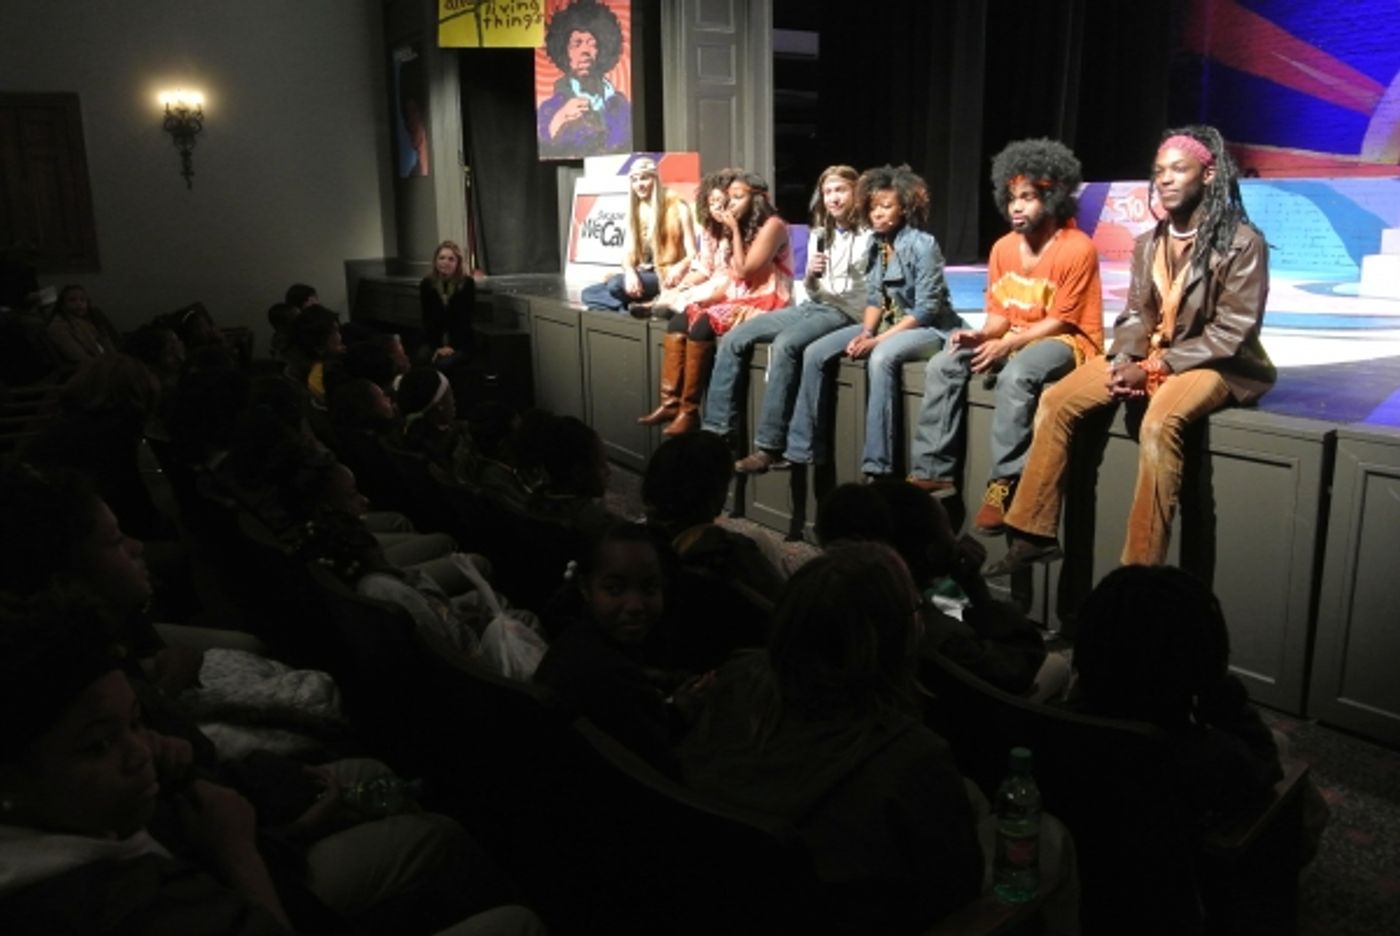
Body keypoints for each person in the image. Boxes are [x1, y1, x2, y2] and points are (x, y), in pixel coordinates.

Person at [988, 126, 1276, 575]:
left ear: (1209, 174)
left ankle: (1140, 569)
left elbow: (1232, 332)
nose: (1165, 179)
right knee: (1056, 399)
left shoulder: (1242, 242)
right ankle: (1032, 533)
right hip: (1150, 354)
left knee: (1161, 422)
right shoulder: (1149, 243)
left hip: (1216, 362)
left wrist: (1158, 366)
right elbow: (1135, 316)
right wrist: (1124, 359)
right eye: (1159, 171)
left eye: (1179, 169)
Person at [676, 543, 984, 933]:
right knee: (1050, 840)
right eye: (915, 610)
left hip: (717, 903)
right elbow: (955, 894)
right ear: (897, 640)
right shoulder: (913, 759)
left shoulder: (735, 679)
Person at [908, 139, 1104, 534]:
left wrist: (1007, 344)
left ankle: (1003, 482)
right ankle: (934, 469)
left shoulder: (1077, 247)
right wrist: (979, 336)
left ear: (1053, 199)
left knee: (1017, 376)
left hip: (1066, 341)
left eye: (1029, 198)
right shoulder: (1002, 249)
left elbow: (1062, 321)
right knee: (945, 362)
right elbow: (1000, 316)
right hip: (1014, 333)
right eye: (1013, 198)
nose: (1017, 206)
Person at [780, 165, 962, 480]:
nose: (877, 214)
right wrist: (866, 332)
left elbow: (927, 309)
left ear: (904, 208)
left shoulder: (922, 244)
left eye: (886, 206)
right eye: (874, 207)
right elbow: (875, 298)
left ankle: (878, 464)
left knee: (881, 357)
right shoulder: (877, 245)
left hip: (929, 327)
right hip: (890, 324)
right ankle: (800, 450)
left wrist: (877, 340)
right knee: (825, 351)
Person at [703, 165, 872, 473]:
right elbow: (810, 288)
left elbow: (873, 292)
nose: (833, 198)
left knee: (786, 345)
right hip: (815, 304)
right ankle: (717, 432)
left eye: (840, 190)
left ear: (856, 193)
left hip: (847, 313)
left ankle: (769, 446)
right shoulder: (821, 232)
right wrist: (809, 274)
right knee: (735, 337)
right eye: (828, 191)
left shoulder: (870, 235)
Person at [534, 522, 713, 773]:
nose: (635, 605)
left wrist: (674, 707)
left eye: (649, 588)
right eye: (615, 590)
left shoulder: (578, 640)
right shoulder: (608, 675)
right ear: (586, 588)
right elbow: (654, 757)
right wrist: (682, 716)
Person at [638, 171, 791, 436]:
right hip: (738, 293)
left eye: (737, 197)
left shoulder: (774, 225)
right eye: (729, 197)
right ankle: (670, 403)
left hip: (766, 298)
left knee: (703, 325)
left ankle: (689, 410)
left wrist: (732, 229)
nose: (730, 203)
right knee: (680, 319)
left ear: (757, 199)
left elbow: (744, 271)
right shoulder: (741, 225)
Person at [581, 157, 696, 313]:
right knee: (588, 293)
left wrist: (680, 266)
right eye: (634, 180)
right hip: (643, 272)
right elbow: (628, 253)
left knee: (615, 285)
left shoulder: (678, 206)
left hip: (665, 275)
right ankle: (636, 307)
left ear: (654, 179)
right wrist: (629, 272)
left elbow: (693, 254)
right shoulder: (636, 209)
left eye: (644, 178)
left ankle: (638, 304)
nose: (639, 185)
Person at [536, 0, 632, 159]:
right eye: (577, 44)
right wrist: (561, 118)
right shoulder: (551, 109)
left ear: (602, 49)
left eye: (592, 44)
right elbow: (545, 150)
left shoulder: (622, 105)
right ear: (564, 52)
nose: (585, 51)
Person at [639, 169, 736, 318]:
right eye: (712, 203)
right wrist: (682, 285)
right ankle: (659, 305)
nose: (716, 208)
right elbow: (704, 270)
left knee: (693, 295)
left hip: (729, 286)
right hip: (711, 281)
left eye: (721, 202)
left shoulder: (741, 230)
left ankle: (666, 308)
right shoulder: (709, 230)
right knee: (678, 289)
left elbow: (738, 275)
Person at [420, 239, 476, 370]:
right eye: (442, 258)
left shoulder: (467, 284)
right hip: (434, 340)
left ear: (458, 263)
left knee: (444, 364)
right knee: (420, 358)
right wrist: (437, 347)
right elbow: (428, 319)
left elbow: (464, 320)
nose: (445, 262)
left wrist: (451, 347)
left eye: (451, 259)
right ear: (435, 261)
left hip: (460, 341)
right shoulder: (427, 284)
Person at [44, 284, 122, 369]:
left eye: (82, 300)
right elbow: (79, 357)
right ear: (62, 305)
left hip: (111, 361)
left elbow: (109, 348)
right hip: (95, 369)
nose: (79, 303)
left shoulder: (89, 321)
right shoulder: (59, 326)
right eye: (72, 300)